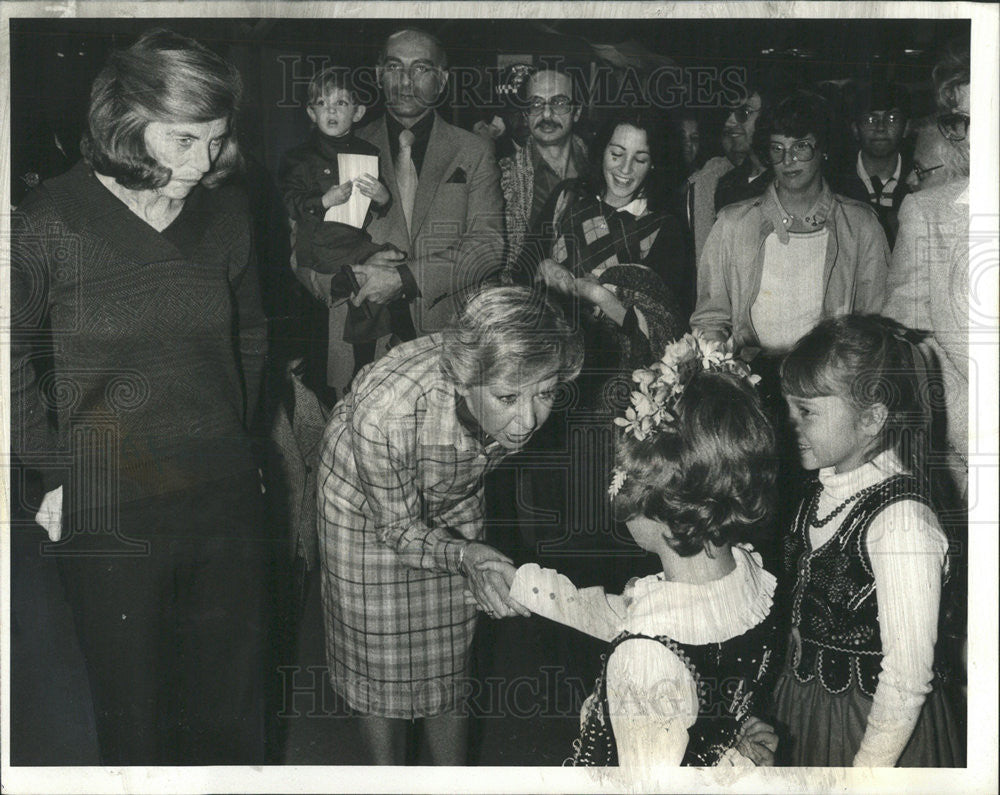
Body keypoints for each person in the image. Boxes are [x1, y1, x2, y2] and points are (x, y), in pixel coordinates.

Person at [10, 29, 269, 764]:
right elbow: (10, 360)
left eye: (216, 142)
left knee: (228, 717)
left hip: (221, 495)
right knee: (133, 723)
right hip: (110, 501)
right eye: (183, 141)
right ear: (124, 121)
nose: (203, 162)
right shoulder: (48, 219)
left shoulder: (226, 212)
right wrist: (53, 468)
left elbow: (250, 336)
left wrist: (237, 443)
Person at [478, 335, 782, 772]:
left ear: (654, 503)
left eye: (623, 477)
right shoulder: (746, 572)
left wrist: (743, 771)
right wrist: (525, 586)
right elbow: (630, 616)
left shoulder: (645, 659)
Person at [316, 285, 584, 765]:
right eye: (507, 397)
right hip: (364, 511)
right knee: (381, 674)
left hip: (452, 486)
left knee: (450, 664)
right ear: (464, 381)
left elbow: (478, 460)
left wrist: (470, 558)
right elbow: (398, 530)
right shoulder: (387, 412)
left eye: (545, 393)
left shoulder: (512, 392)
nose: (527, 420)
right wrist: (464, 554)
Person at [773, 315, 965, 766]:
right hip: (806, 708)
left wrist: (867, 773)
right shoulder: (823, 485)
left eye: (807, 411)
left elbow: (906, 677)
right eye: (789, 409)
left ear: (872, 418)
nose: (791, 424)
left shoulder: (903, 525)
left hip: (872, 729)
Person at [691, 90, 889, 357]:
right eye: (777, 148)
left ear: (824, 149)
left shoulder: (861, 226)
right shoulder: (732, 224)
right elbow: (710, 320)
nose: (788, 160)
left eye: (801, 146)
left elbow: (876, 326)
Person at [352, 28, 504, 341]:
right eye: (394, 67)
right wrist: (352, 270)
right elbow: (304, 254)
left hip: (449, 336)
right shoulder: (346, 146)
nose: (406, 81)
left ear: (443, 80)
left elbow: (488, 247)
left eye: (420, 68)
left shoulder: (473, 151)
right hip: (362, 334)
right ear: (379, 74)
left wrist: (404, 279)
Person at [280, 66, 409, 396]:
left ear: (358, 112)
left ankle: (365, 359)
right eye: (322, 103)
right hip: (319, 244)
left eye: (341, 103)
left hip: (351, 240)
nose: (332, 110)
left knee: (386, 263)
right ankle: (367, 357)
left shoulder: (369, 154)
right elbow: (290, 202)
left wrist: (381, 197)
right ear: (311, 112)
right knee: (363, 275)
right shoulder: (299, 157)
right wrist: (323, 200)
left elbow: (375, 209)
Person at [500, 66, 589, 275]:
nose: (546, 114)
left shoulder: (600, 168)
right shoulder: (504, 177)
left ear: (576, 112)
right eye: (536, 104)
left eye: (559, 103)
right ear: (525, 114)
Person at [829, 81, 914, 248]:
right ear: (855, 128)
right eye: (870, 119)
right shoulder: (833, 184)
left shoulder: (921, 182)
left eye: (892, 118)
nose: (880, 127)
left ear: (906, 128)